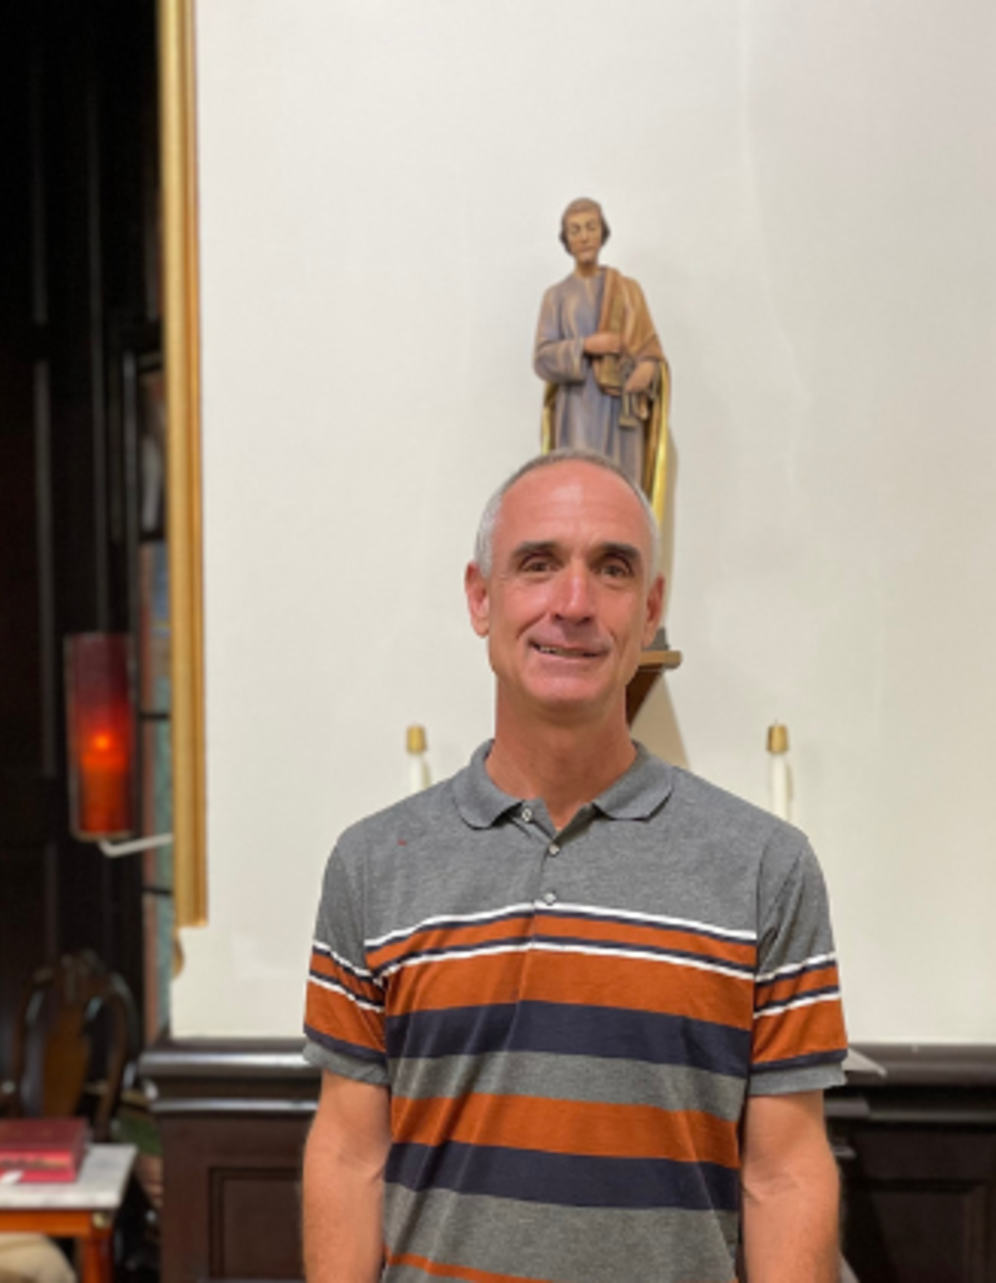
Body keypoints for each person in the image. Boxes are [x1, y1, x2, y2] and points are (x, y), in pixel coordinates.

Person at [300, 450, 847, 1283]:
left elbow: (785, 1170)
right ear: (482, 597)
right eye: (539, 563)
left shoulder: (764, 868)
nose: (574, 603)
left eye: (614, 568)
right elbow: (347, 1152)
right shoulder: (374, 866)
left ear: (651, 608)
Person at [534, 199, 666, 485]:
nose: (584, 237)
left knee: (623, 491)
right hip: (577, 412)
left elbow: (651, 350)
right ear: (566, 240)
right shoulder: (556, 296)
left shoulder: (628, 290)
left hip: (623, 412)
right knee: (582, 490)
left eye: (591, 227)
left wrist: (647, 369)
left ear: (602, 232)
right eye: (575, 230)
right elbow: (542, 358)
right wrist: (585, 346)